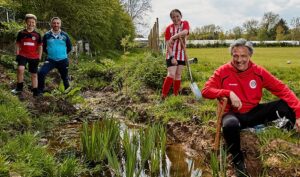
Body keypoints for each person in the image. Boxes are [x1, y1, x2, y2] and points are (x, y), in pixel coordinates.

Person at [201, 38, 300, 177]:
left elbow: (283, 89)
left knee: (284, 105)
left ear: (250, 56)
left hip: (253, 113)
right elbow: (205, 91)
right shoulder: (223, 71)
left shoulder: (258, 72)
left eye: (243, 56)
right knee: (229, 125)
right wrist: (227, 92)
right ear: (232, 55)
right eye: (235, 55)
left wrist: (299, 114)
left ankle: (286, 130)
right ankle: (238, 161)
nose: (239, 60)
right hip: (233, 115)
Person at [38, 17, 72, 94]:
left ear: (60, 24)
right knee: (41, 73)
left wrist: (62, 54)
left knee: (65, 77)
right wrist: (51, 53)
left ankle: (68, 94)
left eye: (57, 23)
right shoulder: (47, 35)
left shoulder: (65, 35)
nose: (56, 25)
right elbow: (43, 47)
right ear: (51, 24)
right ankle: (40, 92)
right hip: (51, 60)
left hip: (63, 60)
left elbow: (69, 47)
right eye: (54, 23)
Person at [161, 9, 190, 99]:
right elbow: (168, 44)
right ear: (171, 18)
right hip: (171, 54)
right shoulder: (168, 28)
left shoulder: (184, 23)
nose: (176, 18)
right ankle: (163, 96)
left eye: (177, 16)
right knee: (171, 74)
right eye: (173, 17)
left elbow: (185, 32)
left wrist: (174, 37)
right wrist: (172, 57)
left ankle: (176, 96)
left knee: (178, 75)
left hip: (181, 54)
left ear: (181, 16)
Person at [12, 14, 43, 96]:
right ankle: (19, 88)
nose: (31, 24)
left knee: (34, 74)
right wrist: (17, 53)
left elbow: (40, 46)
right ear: (26, 22)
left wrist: (39, 56)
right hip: (23, 55)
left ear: (35, 23)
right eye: (29, 22)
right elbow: (18, 44)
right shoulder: (21, 33)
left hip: (34, 56)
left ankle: (35, 91)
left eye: (33, 22)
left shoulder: (37, 35)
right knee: (20, 69)